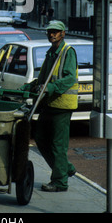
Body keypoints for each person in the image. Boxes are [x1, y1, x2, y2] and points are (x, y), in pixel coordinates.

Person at [32, 20, 78, 192]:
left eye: (55, 32)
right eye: (50, 31)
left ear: (63, 34)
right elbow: (44, 78)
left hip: (63, 105)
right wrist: (30, 86)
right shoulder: (51, 52)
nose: (51, 34)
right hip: (49, 103)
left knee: (58, 145)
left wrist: (50, 88)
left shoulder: (68, 52)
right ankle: (66, 168)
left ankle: (60, 182)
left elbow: (69, 78)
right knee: (41, 138)